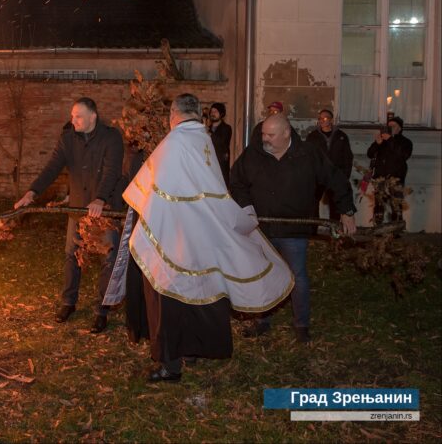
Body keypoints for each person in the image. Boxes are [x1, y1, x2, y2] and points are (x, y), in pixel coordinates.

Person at [105, 93, 293, 382]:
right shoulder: (203, 139)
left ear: (173, 114)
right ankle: (190, 351)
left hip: (172, 239)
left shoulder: (174, 142)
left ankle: (170, 364)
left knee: (167, 297)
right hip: (199, 237)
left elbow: (146, 190)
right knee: (194, 295)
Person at [231, 113, 357, 343]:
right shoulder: (254, 154)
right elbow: (236, 181)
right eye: (263, 134)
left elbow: (335, 179)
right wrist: (246, 206)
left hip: (294, 230)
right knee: (263, 274)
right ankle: (262, 320)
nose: (265, 139)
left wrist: (347, 211)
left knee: (297, 275)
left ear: (286, 133)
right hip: (263, 229)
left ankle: (301, 325)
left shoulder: (308, 154)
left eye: (271, 135)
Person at [14, 97, 124, 334]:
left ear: (93, 116)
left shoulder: (111, 137)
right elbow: (51, 168)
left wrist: (100, 198)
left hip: (103, 209)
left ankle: (102, 310)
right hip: (77, 209)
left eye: (78, 116)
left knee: (108, 259)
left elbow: (112, 170)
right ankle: (68, 302)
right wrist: (31, 192)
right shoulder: (67, 139)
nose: (73, 120)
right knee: (71, 255)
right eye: (72, 115)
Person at [305, 109, 353, 221]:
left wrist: (344, 175)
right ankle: (313, 230)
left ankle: (334, 231)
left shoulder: (341, 136)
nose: (322, 120)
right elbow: (308, 156)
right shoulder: (313, 136)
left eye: (325, 118)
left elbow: (347, 157)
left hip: (335, 174)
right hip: (318, 175)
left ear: (331, 120)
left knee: (335, 203)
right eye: (320, 118)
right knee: (313, 202)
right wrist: (310, 174)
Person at [366, 116, 413, 223]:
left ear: (400, 128)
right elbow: (370, 154)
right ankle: (377, 229)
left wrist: (390, 139)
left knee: (396, 204)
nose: (390, 127)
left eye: (393, 126)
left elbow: (404, 155)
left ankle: (395, 230)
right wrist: (377, 143)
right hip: (380, 177)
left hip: (396, 177)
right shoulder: (382, 141)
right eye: (389, 126)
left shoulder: (405, 142)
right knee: (379, 204)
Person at [208, 102, 232, 187]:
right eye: (211, 111)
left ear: (221, 114)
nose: (212, 114)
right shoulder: (207, 128)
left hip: (221, 166)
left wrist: (209, 133)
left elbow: (222, 142)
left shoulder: (227, 128)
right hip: (208, 165)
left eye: (215, 112)